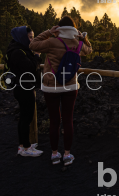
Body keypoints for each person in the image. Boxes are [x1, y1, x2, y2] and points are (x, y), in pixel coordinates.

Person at [29, 17, 92, 165]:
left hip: (51, 86)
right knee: (68, 120)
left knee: (54, 122)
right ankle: (67, 155)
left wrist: (48, 32)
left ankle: (55, 154)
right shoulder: (78, 43)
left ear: (59, 28)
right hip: (70, 86)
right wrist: (84, 39)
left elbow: (33, 45)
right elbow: (89, 51)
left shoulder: (51, 42)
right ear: (74, 29)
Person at [6, 26, 43, 157]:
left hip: (23, 87)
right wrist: (37, 56)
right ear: (22, 37)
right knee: (26, 118)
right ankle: (26, 148)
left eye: (33, 37)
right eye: (30, 37)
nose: (32, 39)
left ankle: (23, 145)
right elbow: (31, 67)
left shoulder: (19, 50)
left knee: (24, 117)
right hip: (23, 88)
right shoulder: (18, 52)